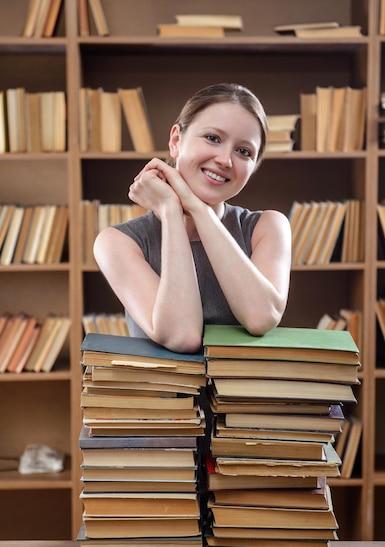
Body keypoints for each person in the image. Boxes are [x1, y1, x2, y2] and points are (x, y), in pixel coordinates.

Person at [94, 83, 291, 353]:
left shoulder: (267, 227)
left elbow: (260, 318)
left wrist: (198, 210)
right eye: (212, 138)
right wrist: (171, 213)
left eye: (244, 152)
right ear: (176, 140)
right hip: (162, 395)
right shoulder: (118, 242)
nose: (225, 160)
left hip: (244, 396)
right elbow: (181, 336)